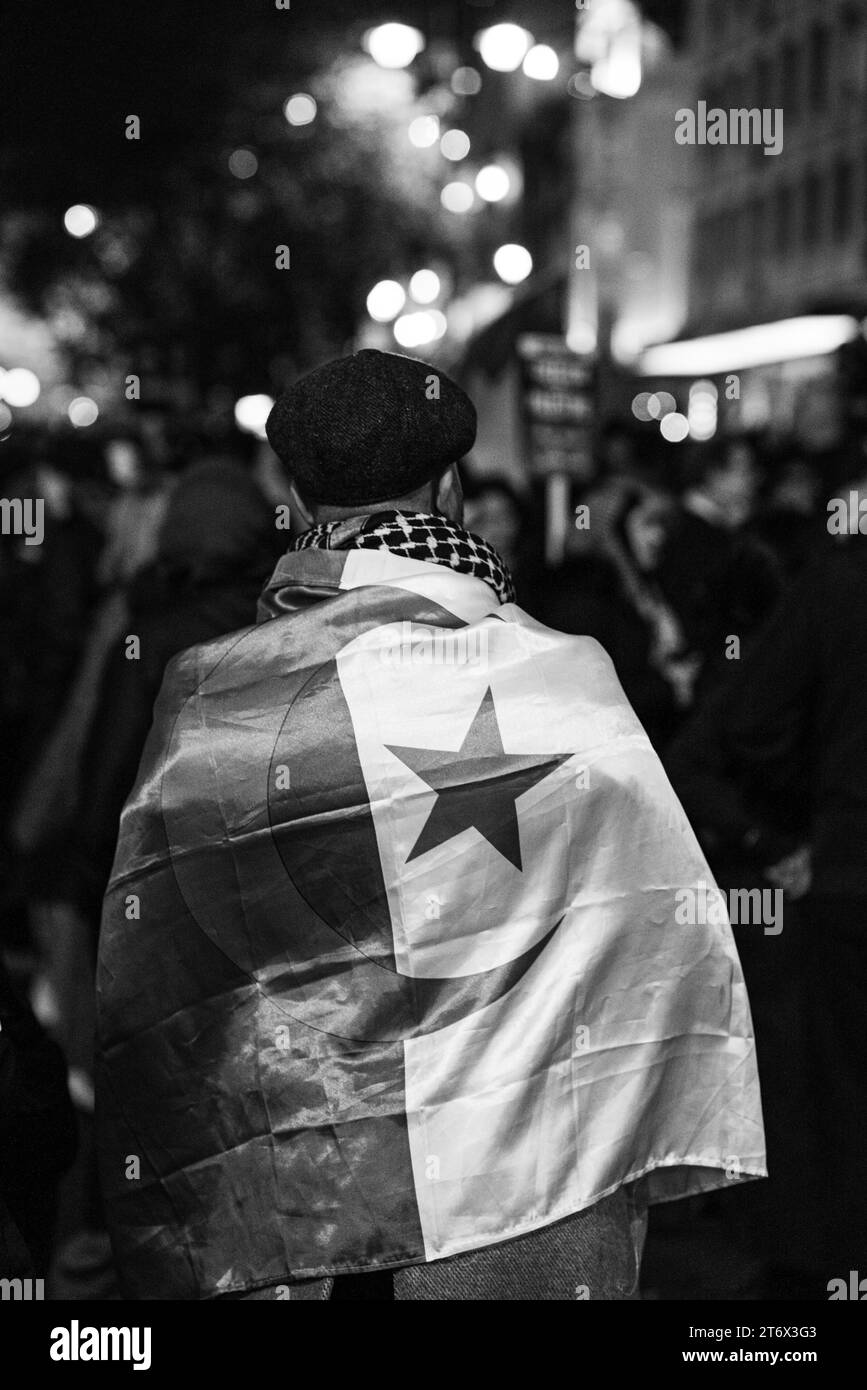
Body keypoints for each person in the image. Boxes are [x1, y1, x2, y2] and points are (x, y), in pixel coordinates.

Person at [96, 349, 765, 1300]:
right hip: (522, 1198)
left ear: (295, 492)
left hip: (294, 1210)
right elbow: (651, 927)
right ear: (451, 486)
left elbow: (169, 975)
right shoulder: (564, 677)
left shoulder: (212, 696)